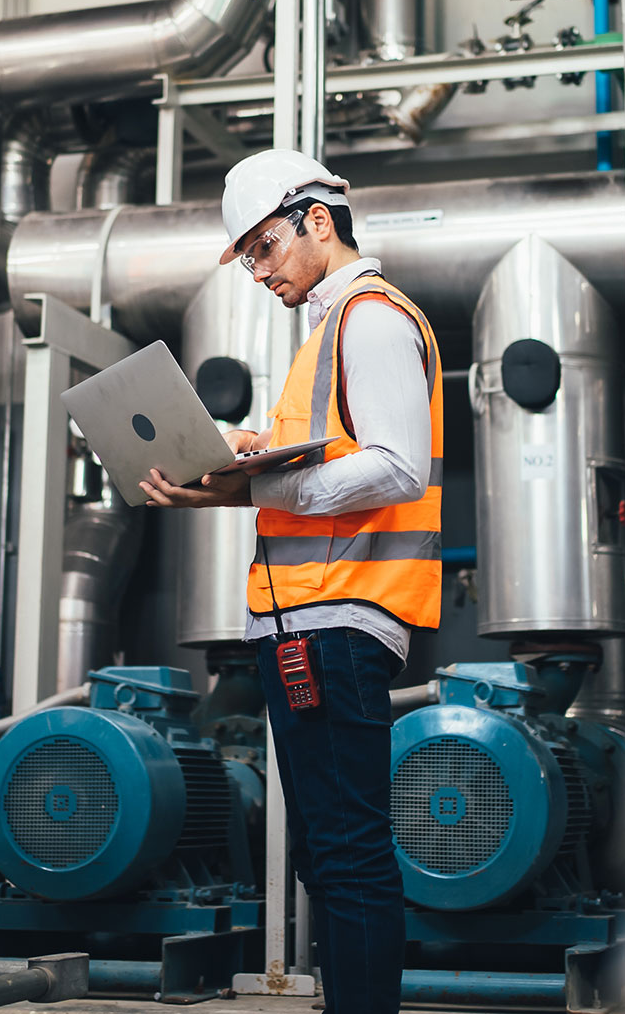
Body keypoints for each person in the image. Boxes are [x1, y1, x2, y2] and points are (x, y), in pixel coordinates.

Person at [139, 149, 441, 1014]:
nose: (261, 273)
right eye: (248, 260)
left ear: (317, 219)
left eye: (265, 249)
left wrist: (255, 483)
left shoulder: (370, 318)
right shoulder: (329, 330)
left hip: (341, 621)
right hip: (308, 622)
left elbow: (396, 468)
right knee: (323, 850)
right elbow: (314, 473)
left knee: (346, 853)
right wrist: (231, 472)